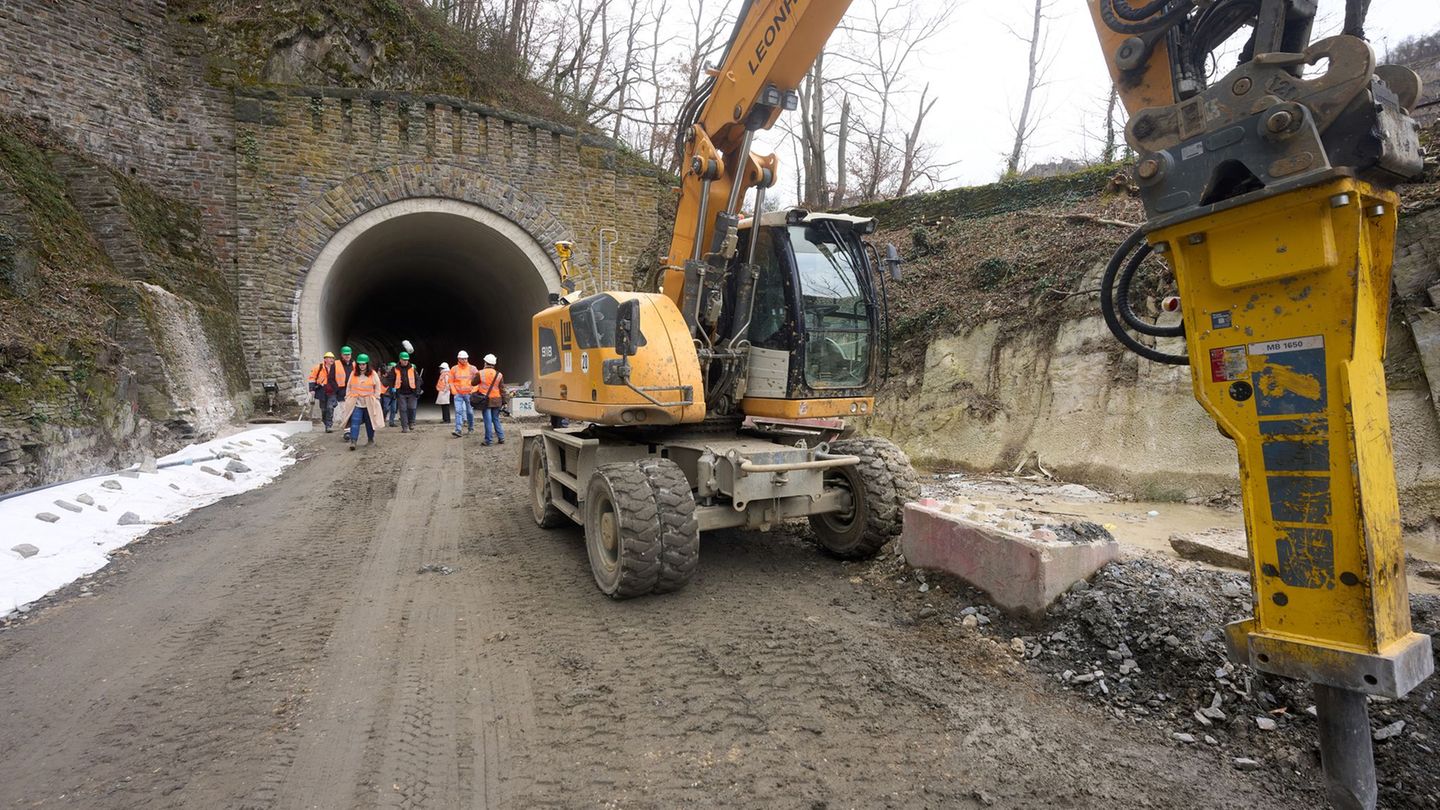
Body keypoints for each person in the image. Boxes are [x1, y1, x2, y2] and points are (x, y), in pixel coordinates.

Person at [335, 354, 385, 450]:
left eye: (363, 364)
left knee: (369, 422)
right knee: (355, 421)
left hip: (369, 402)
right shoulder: (353, 373)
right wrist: (348, 397)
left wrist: (376, 397)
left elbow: (378, 387)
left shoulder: (373, 374)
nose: (361, 366)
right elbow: (349, 386)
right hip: (356, 402)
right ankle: (353, 441)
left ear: (367, 364)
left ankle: (370, 439)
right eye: (360, 364)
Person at [307, 351, 349, 433]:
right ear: (325, 359)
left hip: (332, 391)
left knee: (330, 407)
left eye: (333, 358)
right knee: (323, 409)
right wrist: (312, 389)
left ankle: (329, 426)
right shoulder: (318, 367)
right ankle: (325, 422)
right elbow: (312, 378)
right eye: (329, 358)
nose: (332, 360)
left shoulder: (336, 367)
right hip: (321, 390)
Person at [476, 353, 506, 446]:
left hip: (486, 401)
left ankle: (489, 440)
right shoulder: (499, 374)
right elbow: (502, 389)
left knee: (488, 421)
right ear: (494, 364)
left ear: (485, 363)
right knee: (495, 419)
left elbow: (473, 383)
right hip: (497, 400)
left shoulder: (480, 373)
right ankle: (501, 438)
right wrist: (504, 401)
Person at [391, 352, 422, 433]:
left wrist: (418, 390)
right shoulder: (395, 369)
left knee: (412, 408)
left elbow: (418, 379)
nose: (405, 361)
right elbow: (390, 380)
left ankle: (411, 422)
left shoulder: (412, 368)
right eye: (404, 360)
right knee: (403, 409)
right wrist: (392, 390)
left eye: (407, 360)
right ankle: (405, 427)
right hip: (400, 393)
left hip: (412, 392)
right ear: (400, 359)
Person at [450, 350, 477, 437]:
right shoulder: (454, 369)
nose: (464, 360)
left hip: (469, 394)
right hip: (458, 394)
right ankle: (458, 430)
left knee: (469, 412)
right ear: (458, 359)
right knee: (458, 411)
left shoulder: (472, 368)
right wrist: (453, 390)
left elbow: (479, 380)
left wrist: (474, 390)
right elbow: (450, 381)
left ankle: (471, 428)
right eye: (462, 359)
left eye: (466, 359)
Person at [381, 361, 399, 427]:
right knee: (386, 408)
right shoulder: (385, 376)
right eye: (391, 368)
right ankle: (383, 419)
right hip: (387, 394)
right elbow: (384, 383)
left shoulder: (398, 376)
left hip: (394, 394)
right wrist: (388, 377)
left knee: (393, 409)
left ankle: (391, 422)